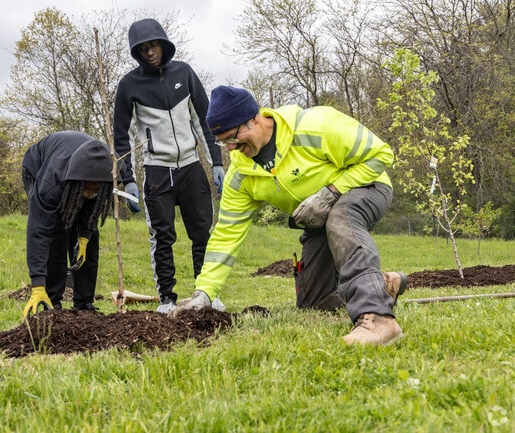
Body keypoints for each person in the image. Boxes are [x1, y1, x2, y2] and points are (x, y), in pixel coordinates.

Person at [172, 85, 407, 346]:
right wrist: (204, 292)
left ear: (254, 118)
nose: (230, 148)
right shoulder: (241, 175)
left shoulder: (315, 125)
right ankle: (380, 285)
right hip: (319, 218)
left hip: (367, 187)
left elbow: (381, 155)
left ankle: (379, 318)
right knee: (315, 302)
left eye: (234, 137)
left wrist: (331, 192)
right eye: (223, 141)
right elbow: (226, 235)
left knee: (341, 216)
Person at [113, 18, 225, 314]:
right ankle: (167, 299)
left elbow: (205, 119)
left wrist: (216, 161)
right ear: (136, 52)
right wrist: (129, 179)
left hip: (191, 167)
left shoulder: (184, 73)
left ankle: (207, 294)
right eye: (143, 48)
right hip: (157, 171)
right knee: (162, 236)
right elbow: (121, 136)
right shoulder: (129, 86)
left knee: (202, 232)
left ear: (163, 44)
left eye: (153, 45)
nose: (150, 52)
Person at [21, 131, 115, 317]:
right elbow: (38, 231)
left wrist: (84, 236)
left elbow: (92, 208)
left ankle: (84, 302)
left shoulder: (108, 171)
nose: (89, 194)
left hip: (77, 173)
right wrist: (37, 284)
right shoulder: (51, 183)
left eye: (94, 189)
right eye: (86, 188)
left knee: (90, 236)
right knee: (57, 230)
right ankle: (52, 300)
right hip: (38, 167)